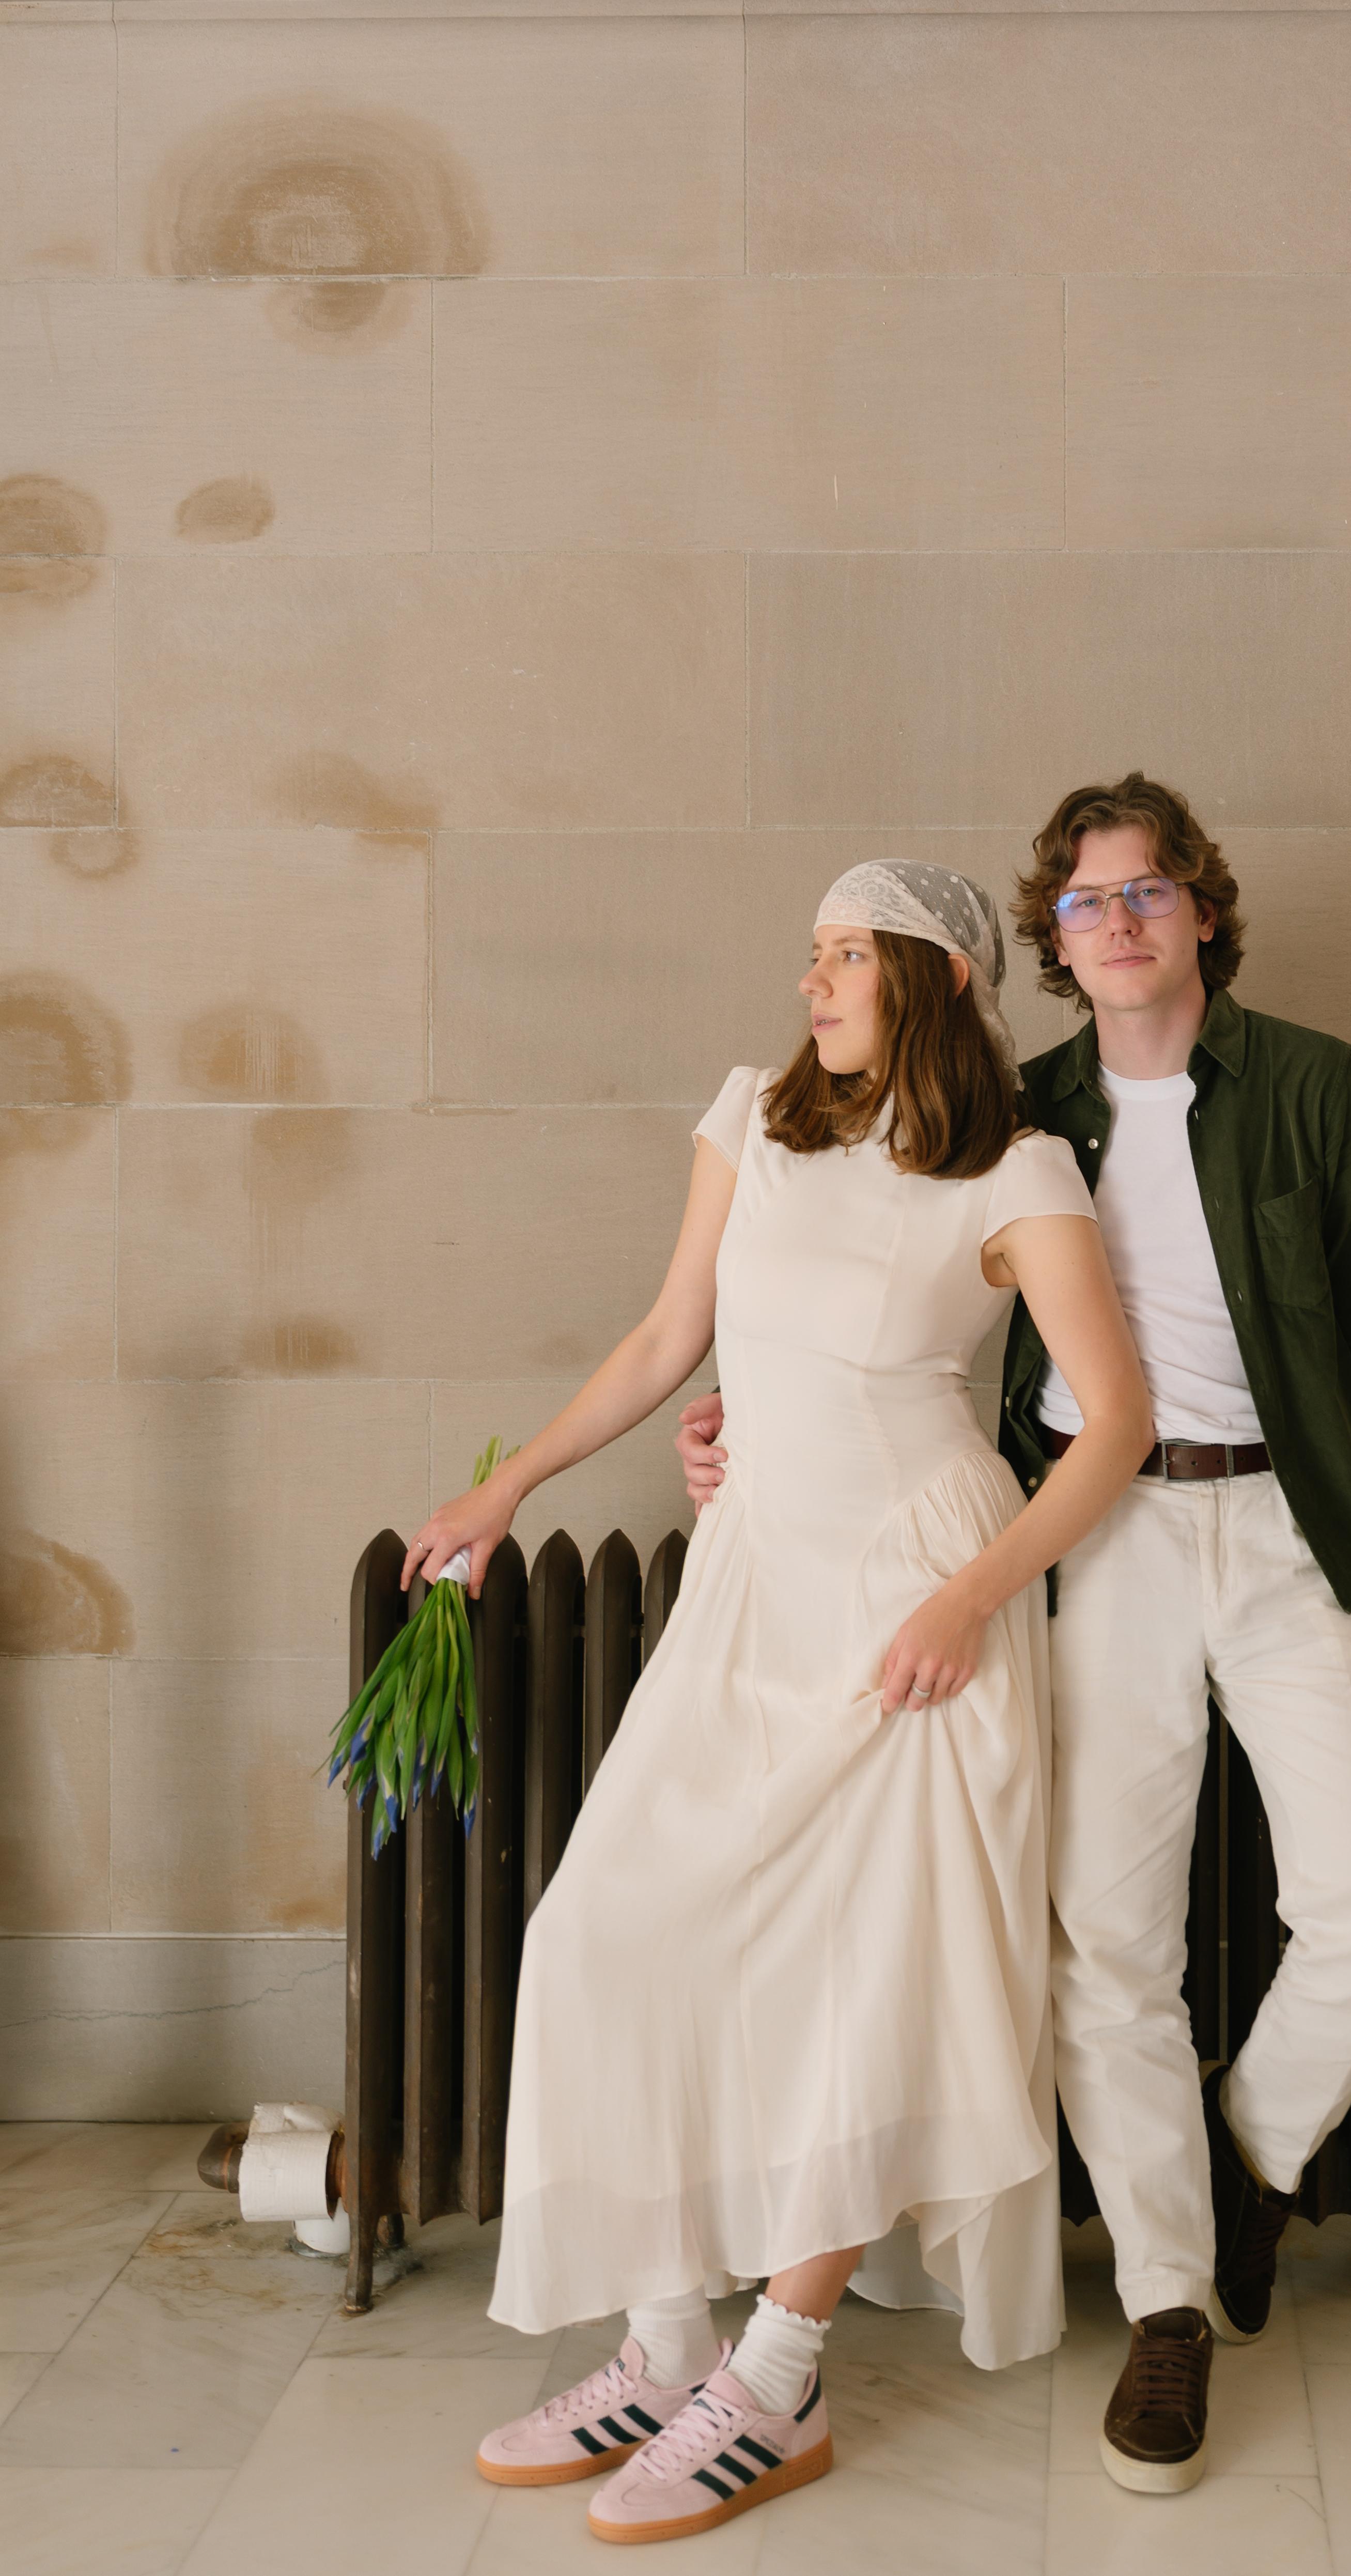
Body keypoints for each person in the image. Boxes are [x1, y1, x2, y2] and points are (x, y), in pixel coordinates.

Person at [681, 777, 1351, 2499]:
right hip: (1102, 1531)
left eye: (1149, 889)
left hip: (1292, 1522)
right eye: (1086, 902)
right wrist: (738, 1428)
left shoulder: (1317, 1086)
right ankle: (1168, 2300)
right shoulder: (1021, 1113)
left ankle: (1242, 2167)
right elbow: (877, 1301)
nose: (1122, 920)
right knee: (1105, 1934)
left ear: (1203, 910)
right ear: (1056, 945)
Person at [406, 862, 1152, 2548]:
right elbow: (670, 1333)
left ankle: (782, 2372)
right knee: (607, 1928)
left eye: (846, 955)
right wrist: (508, 1483)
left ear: (938, 978)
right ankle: (669, 2341)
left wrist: (971, 1598)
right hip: (752, 1587)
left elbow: (1112, 1420)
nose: (812, 981)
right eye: (810, 953)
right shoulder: (755, 1115)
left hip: (918, 1599)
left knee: (865, 1982)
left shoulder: (1018, 1165)